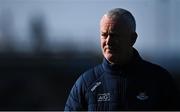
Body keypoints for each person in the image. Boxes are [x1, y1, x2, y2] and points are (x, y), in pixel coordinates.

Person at [64, 8, 179, 111]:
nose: (108, 41)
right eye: (104, 35)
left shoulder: (160, 80)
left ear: (132, 39)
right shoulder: (85, 83)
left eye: (114, 35)